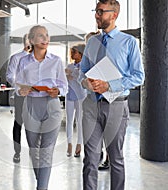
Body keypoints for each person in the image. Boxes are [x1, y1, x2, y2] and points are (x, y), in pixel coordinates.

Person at [80, 1, 145, 190]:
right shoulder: (92, 42)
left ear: (114, 14)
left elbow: (139, 76)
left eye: (101, 12)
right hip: (91, 105)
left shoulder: (129, 42)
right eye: (96, 11)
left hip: (116, 105)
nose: (96, 15)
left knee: (115, 158)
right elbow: (82, 71)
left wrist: (109, 85)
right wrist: (85, 81)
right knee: (90, 159)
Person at [15, 25, 68, 190]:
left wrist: (58, 91)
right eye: (40, 36)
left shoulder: (56, 61)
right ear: (31, 40)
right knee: (34, 151)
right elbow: (17, 85)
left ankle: (41, 188)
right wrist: (21, 89)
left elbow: (64, 86)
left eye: (46, 35)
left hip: (51, 106)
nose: (45, 39)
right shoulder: (23, 61)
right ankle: (41, 183)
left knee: (46, 151)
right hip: (30, 106)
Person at [85, 30, 110, 170]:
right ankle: (96, 156)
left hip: (108, 102)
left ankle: (108, 158)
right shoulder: (88, 60)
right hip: (91, 102)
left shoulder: (105, 60)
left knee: (108, 134)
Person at [6, 33, 31, 163]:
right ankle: (17, 152)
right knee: (18, 123)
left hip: (36, 96)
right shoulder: (16, 58)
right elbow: (10, 76)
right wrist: (20, 87)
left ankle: (34, 151)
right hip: (21, 95)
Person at [65, 44, 86, 157]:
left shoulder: (84, 66)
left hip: (80, 97)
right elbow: (65, 81)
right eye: (72, 52)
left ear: (81, 53)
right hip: (69, 96)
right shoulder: (69, 66)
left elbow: (82, 82)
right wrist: (66, 76)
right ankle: (69, 144)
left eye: (75, 52)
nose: (72, 54)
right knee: (69, 121)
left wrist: (72, 75)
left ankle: (79, 144)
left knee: (79, 121)